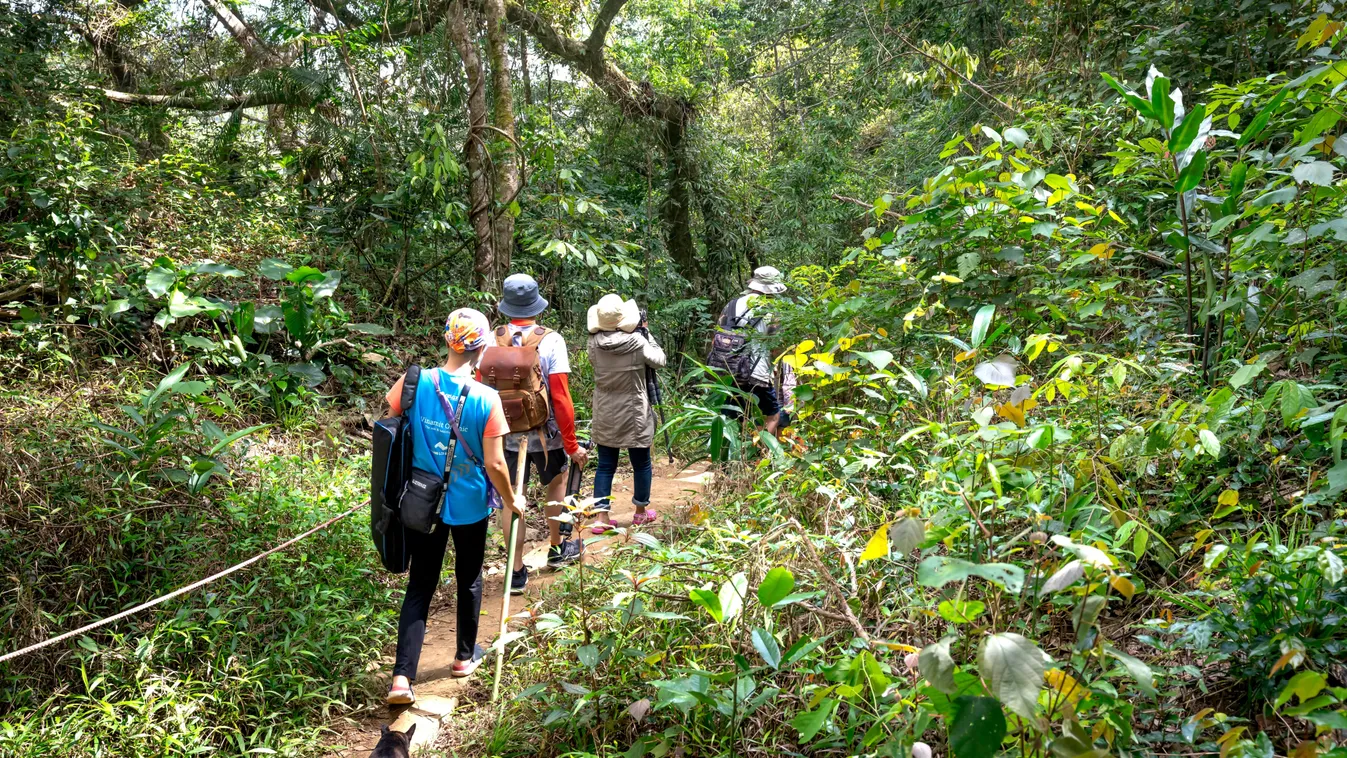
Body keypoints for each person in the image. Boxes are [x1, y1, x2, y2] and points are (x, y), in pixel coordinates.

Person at [381, 308, 524, 705]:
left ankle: (401, 679)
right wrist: (512, 500)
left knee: (420, 585)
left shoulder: (416, 381)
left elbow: (392, 423)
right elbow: (496, 464)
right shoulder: (487, 398)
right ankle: (463, 657)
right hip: (469, 504)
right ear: (482, 348)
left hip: (421, 502)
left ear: (447, 340)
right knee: (469, 578)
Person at [492, 273, 588, 594]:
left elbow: (481, 388)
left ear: (506, 305)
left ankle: (516, 570)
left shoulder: (493, 338)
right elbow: (560, 396)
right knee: (557, 483)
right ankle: (558, 548)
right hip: (546, 433)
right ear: (537, 305)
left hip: (504, 431)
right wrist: (571, 444)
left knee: (511, 497)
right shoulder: (551, 340)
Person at [585, 294, 667, 533]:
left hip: (604, 409)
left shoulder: (593, 344)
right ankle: (640, 513)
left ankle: (601, 517)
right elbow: (659, 360)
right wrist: (647, 334)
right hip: (635, 410)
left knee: (605, 465)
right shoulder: (638, 342)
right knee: (641, 463)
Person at [719, 265, 788, 436]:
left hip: (729, 370)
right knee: (773, 416)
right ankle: (757, 450)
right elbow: (775, 347)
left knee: (736, 416)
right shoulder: (773, 311)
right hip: (757, 373)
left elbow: (719, 334)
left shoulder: (731, 305)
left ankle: (734, 449)